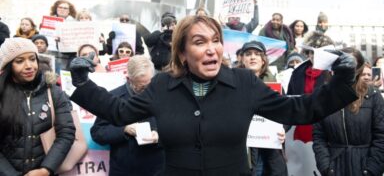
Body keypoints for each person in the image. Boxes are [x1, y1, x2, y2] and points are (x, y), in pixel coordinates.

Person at [69, 15, 357, 176]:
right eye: (199, 42)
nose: (211, 49)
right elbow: (119, 113)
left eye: (216, 40)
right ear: (182, 53)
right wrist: (83, 84)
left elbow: (300, 111)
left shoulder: (244, 83)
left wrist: (342, 82)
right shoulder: (161, 86)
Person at [0, 37, 75, 175]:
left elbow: (66, 133)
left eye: (32, 59)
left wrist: (45, 169)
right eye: (20, 61)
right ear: (8, 66)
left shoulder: (52, 91)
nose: (29, 66)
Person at [313, 47, 384, 176]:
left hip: (365, 168)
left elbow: (383, 136)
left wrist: (371, 170)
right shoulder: (324, 96)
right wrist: (326, 167)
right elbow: (319, 137)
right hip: (334, 168)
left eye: (351, 65)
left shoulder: (372, 95)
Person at [91, 55, 165, 176]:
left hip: (157, 168)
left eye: (149, 85)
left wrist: (159, 134)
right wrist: (124, 130)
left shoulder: (164, 96)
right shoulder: (113, 98)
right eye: (141, 87)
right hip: (125, 169)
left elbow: (180, 129)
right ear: (128, 79)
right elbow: (97, 132)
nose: (147, 90)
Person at [285, 31, 335, 176]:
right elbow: (290, 101)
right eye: (310, 52)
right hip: (301, 129)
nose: (313, 57)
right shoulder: (298, 72)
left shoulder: (334, 73)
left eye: (317, 53)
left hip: (327, 129)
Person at [239, 40, 287, 176]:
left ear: (263, 60)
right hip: (244, 149)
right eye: (248, 54)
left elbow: (286, 111)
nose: (252, 57)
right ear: (242, 59)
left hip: (271, 148)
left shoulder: (275, 85)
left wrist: (283, 129)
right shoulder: (233, 84)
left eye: (257, 54)